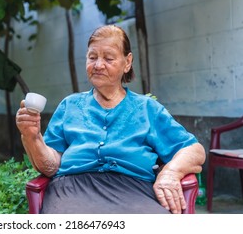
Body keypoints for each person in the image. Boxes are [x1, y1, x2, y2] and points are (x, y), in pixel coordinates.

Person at [15, 24, 206, 214]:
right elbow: (50, 166)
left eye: (108, 58)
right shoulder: (70, 106)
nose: (98, 65)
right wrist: (32, 137)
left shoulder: (147, 109)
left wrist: (171, 172)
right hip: (72, 193)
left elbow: (194, 150)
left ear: (127, 62)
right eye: (92, 57)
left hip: (135, 193)